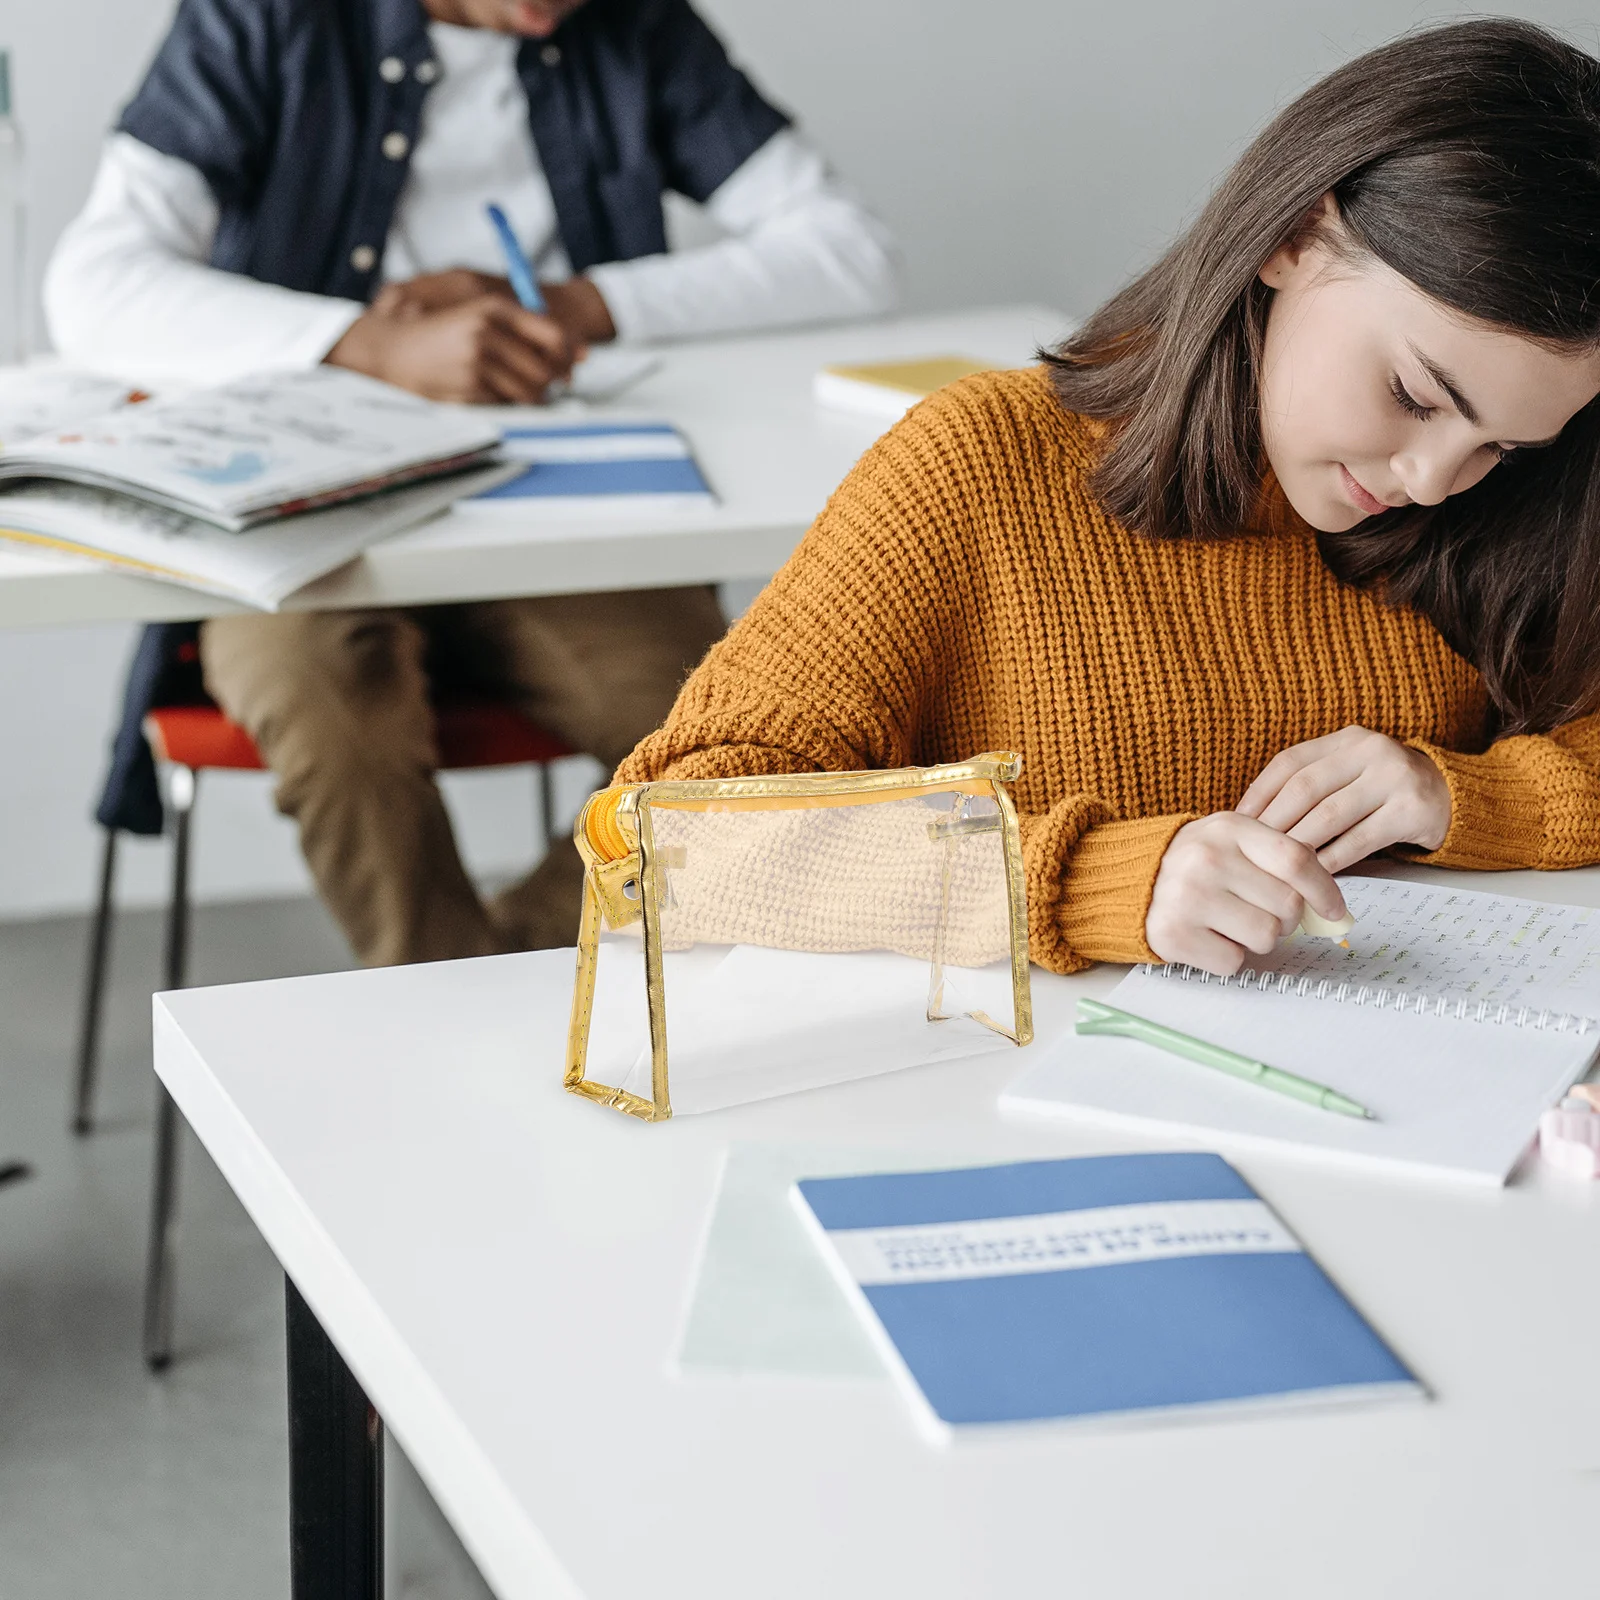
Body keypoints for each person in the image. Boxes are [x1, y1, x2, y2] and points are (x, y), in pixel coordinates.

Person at [615, 18, 1600, 978]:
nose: (1431, 480)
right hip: (1002, 1112)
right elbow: (667, 838)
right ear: (1297, 234)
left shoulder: (1512, 509)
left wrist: (1461, 792)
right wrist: (1089, 880)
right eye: (1414, 396)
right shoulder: (981, 464)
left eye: (1504, 447)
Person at [46, 0, 898, 964]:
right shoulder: (264, 19)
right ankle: (445, 1010)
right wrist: (374, 348)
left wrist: (577, 306)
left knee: (738, 735)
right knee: (329, 714)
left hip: (560, 521)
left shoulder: (640, 26)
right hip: (304, 526)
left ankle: (500, 980)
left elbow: (850, 247)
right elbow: (93, 282)